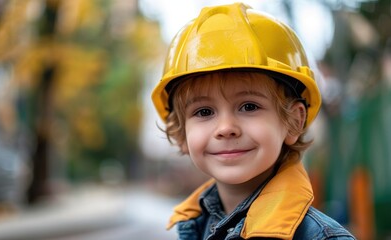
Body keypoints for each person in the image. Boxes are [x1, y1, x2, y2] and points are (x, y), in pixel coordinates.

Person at [151, 2, 356, 240]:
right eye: (204, 112)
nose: (226, 128)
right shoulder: (195, 224)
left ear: (293, 122)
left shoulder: (321, 237)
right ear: (182, 132)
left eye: (249, 106)